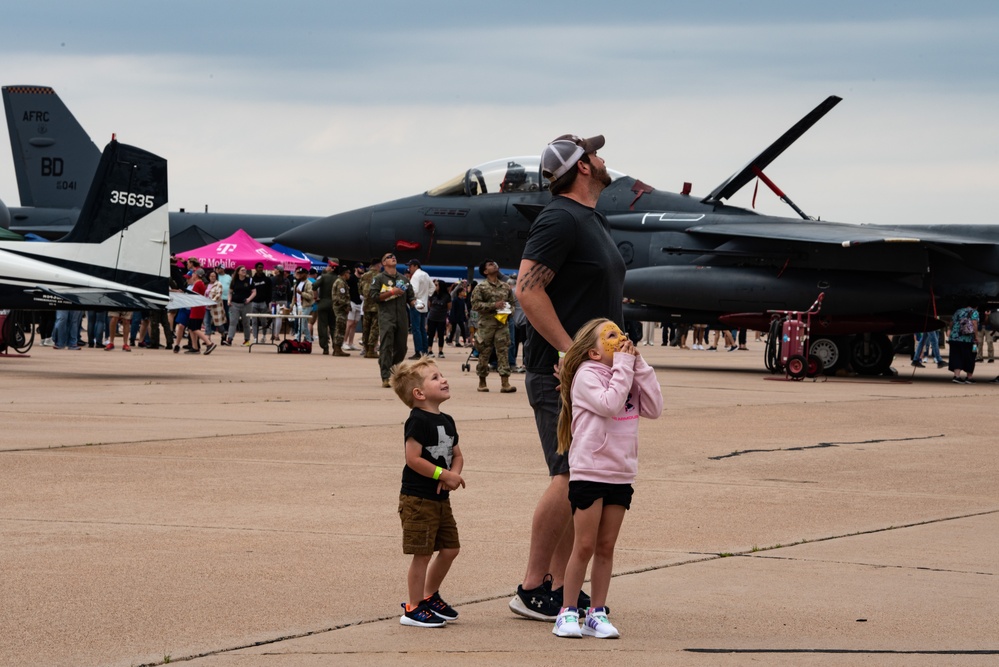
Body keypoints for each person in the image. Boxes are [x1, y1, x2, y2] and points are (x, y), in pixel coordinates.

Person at [511, 134, 626, 621]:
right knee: (568, 474)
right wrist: (568, 351)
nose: (602, 158)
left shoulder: (590, 219)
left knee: (576, 477)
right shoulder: (559, 217)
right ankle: (531, 587)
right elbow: (527, 289)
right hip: (561, 375)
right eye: (594, 154)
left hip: (589, 373)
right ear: (581, 168)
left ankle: (561, 589)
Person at [549, 319, 662, 638]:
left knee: (606, 546)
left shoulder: (626, 371)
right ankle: (567, 611)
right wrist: (625, 365)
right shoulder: (587, 375)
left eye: (621, 333)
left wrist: (640, 366)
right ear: (594, 353)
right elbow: (611, 404)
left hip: (620, 471)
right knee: (583, 545)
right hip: (590, 469)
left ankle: (597, 613)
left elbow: (654, 408)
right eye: (611, 335)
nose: (621, 338)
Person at [389, 356, 465, 627]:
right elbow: (413, 459)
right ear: (418, 393)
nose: (443, 379)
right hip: (418, 499)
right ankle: (413, 607)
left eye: (441, 375)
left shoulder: (447, 420)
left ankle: (429, 595)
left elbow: (457, 454)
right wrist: (442, 474)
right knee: (422, 554)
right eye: (435, 378)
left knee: (450, 548)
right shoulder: (417, 420)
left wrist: (453, 474)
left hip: (440, 498)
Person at [471, 259, 518, 393]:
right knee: (484, 353)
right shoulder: (481, 287)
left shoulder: (505, 286)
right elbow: (475, 305)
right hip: (486, 325)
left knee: (503, 352)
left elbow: (512, 303)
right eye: (490, 264)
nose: (494, 265)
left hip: (502, 324)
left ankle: (505, 383)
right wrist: (493, 306)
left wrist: (509, 311)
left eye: (495, 263)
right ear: (485, 271)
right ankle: (482, 381)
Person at [370, 252, 416, 388]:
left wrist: (415, 303)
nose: (393, 258)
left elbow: (410, 296)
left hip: (402, 316)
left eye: (394, 256)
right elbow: (374, 296)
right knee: (386, 346)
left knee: (402, 347)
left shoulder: (404, 279)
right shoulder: (379, 279)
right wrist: (392, 292)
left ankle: (392, 369)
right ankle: (385, 376)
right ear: (384, 263)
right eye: (389, 257)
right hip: (386, 316)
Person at [408, 259, 433, 359]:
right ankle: (425, 351)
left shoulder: (415, 276)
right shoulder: (425, 274)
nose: (409, 269)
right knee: (422, 329)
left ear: (415, 266)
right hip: (424, 305)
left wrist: (413, 299)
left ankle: (418, 351)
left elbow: (414, 291)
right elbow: (433, 287)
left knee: (416, 329)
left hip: (416, 304)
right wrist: (427, 296)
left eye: (410, 266)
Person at [224, 266, 254, 347]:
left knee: (246, 323)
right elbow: (230, 292)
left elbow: (254, 292)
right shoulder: (234, 281)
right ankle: (229, 339)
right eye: (242, 270)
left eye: (245, 270)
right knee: (233, 322)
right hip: (235, 304)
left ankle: (247, 340)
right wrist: (229, 300)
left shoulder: (249, 280)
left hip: (246, 305)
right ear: (238, 272)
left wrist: (249, 299)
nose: (244, 271)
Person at [949, 304, 979, 383]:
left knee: (956, 356)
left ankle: (957, 376)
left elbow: (952, 322)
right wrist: (976, 336)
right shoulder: (974, 312)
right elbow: (974, 323)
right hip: (968, 339)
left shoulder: (958, 311)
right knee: (970, 357)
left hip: (954, 338)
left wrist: (950, 330)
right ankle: (969, 377)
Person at [359, 258, 382, 358]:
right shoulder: (380, 276)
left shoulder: (364, 276)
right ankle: (372, 350)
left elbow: (360, 290)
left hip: (366, 305)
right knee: (375, 328)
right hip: (377, 306)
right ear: (378, 265)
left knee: (366, 328)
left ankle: (366, 348)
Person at [313, 263, 337, 355]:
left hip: (323, 303)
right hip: (334, 304)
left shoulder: (323, 277)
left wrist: (316, 297)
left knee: (322, 326)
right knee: (333, 326)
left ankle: (325, 347)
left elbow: (314, 286)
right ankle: (336, 346)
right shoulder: (338, 278)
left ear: (331, 267)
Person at [249, 262, 273, 344]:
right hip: (254, 302)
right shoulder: (252, 279)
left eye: (262, 267)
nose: (261, 269)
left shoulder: (267, 280)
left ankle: (264, 336)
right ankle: (255, 337)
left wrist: (268, 302)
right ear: (255, 268)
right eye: (259, 267)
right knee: (254, 321)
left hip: (263, 303)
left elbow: (270, 291)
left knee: (263, 321)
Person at [331, 263, 353, 356]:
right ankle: (337, 349)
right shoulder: (340, 282)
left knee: (340, 328)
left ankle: (337, 348)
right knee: (340, 328)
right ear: (345, 273)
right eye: (348, 273)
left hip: (340, 308)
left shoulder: (342, 282)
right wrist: (347, 306)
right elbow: (340, 298)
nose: (349, 275)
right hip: (340, 309)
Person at [427, 280, 451, 358]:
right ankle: (429, 350)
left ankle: (440, 351)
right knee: (431, 334)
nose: (435, 286)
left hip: (441, 318)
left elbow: (449, 307)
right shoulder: (432, 295)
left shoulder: (447, 296)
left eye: (436, 285)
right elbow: (429, 305)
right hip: (432, 317)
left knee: (441, 335)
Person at [344, 264, 365, 351]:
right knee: (349, 323)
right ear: (356, 268)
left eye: (363, 268)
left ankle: (351, 343)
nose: (362, 269)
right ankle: (344, 342)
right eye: (360, 268)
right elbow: (346, 288)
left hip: (360, 303)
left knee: (355, 324)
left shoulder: (363, 279)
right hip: (352, 302)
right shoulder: (351, 278)